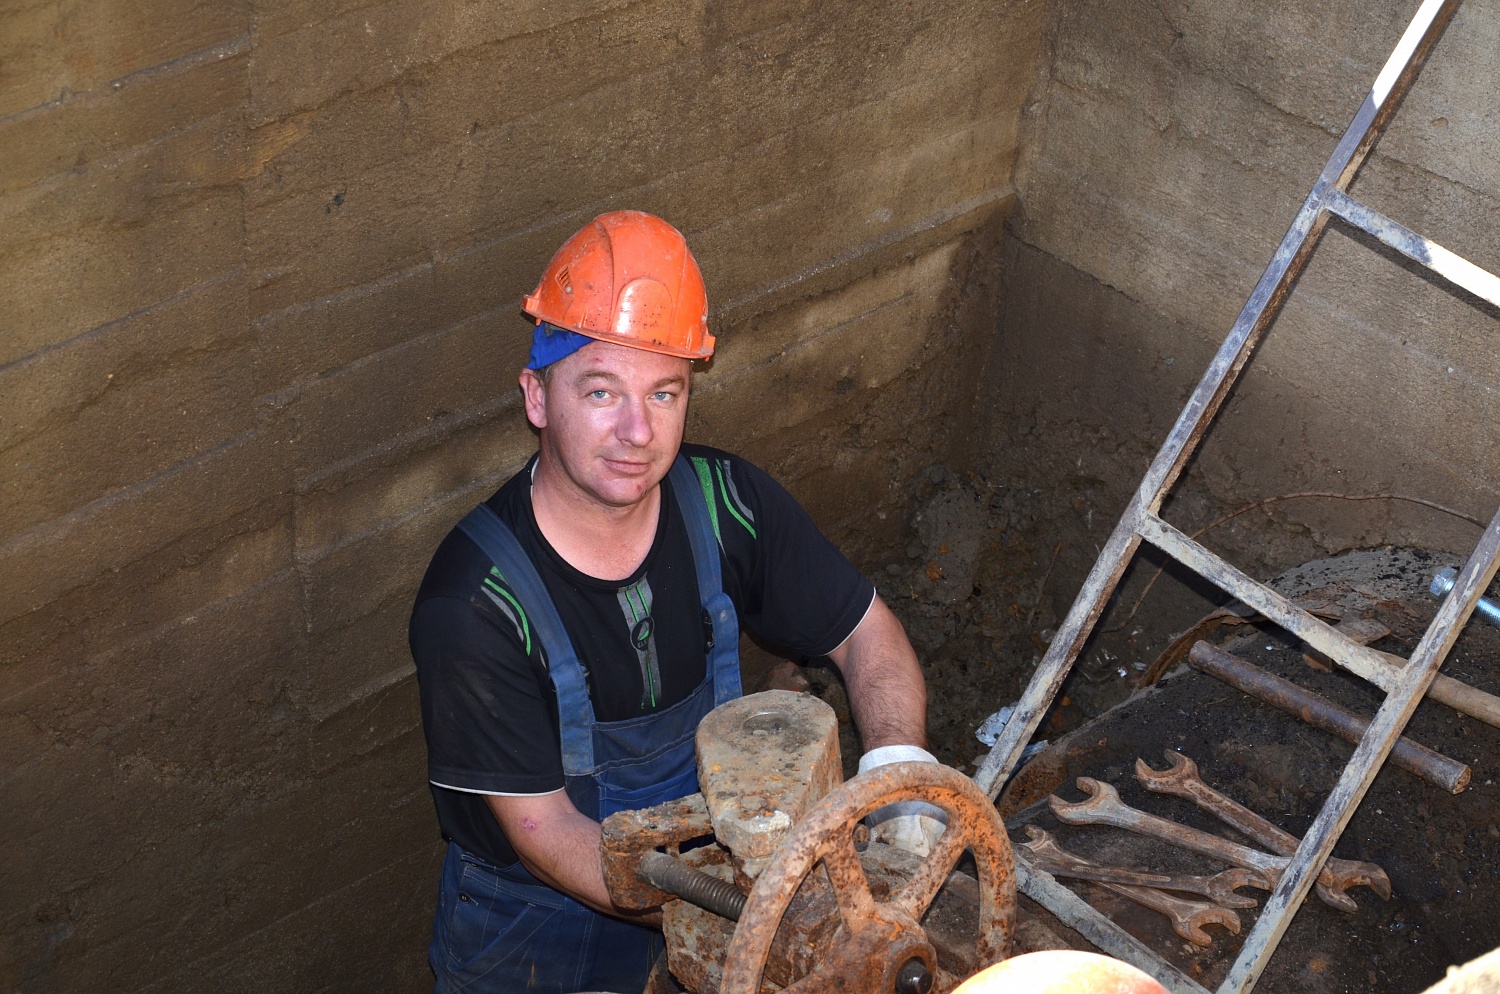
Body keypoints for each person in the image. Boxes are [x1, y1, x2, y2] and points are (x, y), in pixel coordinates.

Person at [409, 210, 940, 994]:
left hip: (718, 892)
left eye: (664, 393)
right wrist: (754, 918)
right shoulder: (475, 603)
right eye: (600, 391)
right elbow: (548, 835)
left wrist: (898, 781)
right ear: (537, 397)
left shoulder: (725, 502)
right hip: (536, 937)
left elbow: (868, 632)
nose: (636, 431)